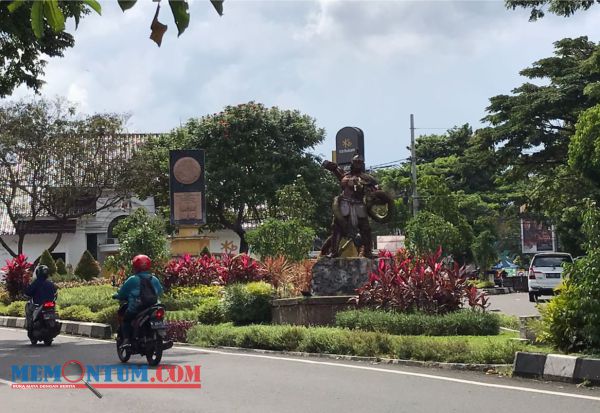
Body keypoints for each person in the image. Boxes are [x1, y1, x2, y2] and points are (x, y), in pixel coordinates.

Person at [321, 153, 379, 258]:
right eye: (356, 162)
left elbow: (377, 191)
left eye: (359, 163)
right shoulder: (344, 175)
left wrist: (373, 194)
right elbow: (334, 169)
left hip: (359, 205)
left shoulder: (367, 178)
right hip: (344, 204)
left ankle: (367, 251)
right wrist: (330, 165)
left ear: (362, 164)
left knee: (365, 228)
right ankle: (334, 252)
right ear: (352, 163)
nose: (357, 164)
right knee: (337, 227)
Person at [112, 254, 164, 348]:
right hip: (153, 307)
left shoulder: (132, 280)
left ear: (135, 266)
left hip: (137, 308)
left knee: (126, 319)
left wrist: (117, 296)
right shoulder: (154, 279)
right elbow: (160, 292)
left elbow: (122, 293)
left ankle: (127, 339)